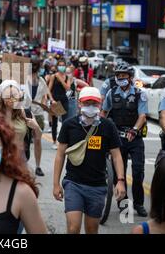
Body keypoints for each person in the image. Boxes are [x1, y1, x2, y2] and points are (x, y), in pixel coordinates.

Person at [53, 87, 126, 234]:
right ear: (79, 104)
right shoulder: (69, 125)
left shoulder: (108, 126)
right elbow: (60, 155)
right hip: (73, 183)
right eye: (87, 103)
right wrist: (56, 184)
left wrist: (120, 181)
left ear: (100, 105)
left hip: (97, 186)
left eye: (95, 104)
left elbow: (117, 155)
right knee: (73, 228)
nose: (91, 107)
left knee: (92, 229)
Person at [101, 62, 149, 217]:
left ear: (130, 77)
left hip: (134, 137)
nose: (121, 78)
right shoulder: (111, 93)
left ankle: (139, 203)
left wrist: (134, 130)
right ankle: (124, 202)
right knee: (117, 173)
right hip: (117, 138)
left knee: (138, 172)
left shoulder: (139, 94)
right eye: (118, 76)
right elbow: (104, 112)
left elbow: (142, 116)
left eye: (124, 76)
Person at [0, 80, 43, 175]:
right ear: (1, 97)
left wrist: (36, 127)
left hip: (20, 158)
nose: (11, 98)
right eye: (8, 96)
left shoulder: (26, 113)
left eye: (14, 95)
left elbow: (38, 137)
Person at [25, 60, 54, 176]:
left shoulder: (41, 81)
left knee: (37, 140)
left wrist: (43, 104)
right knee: (24, 140)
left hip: (38, 114)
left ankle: (38, 166)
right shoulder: (23, 80)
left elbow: (44, 96)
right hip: (25, 112)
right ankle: (24, 164)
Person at [48, 59, 71, 146]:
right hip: (55, 101)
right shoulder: (53, 76)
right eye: (60, 65)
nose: (61, 67)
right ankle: (54, 141)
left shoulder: (67, 77)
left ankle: (63, 141)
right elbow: (48, 90)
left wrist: (60, 78)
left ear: (65, 66)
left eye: (63, 65)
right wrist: (51, 100)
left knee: (65, 122)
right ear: (57, 66)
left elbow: (67, 88)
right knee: (55, 122)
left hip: (64, 100)